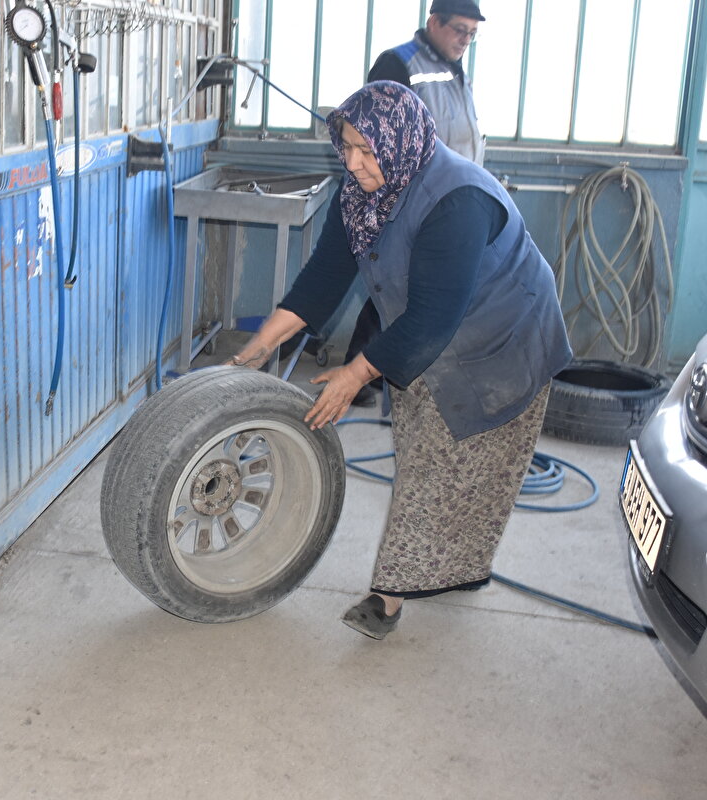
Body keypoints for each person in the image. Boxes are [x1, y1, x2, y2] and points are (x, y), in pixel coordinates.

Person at [229, 82, 572, 640]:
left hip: (504, 339)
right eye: (347, 148)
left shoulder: (457, 201)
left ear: (399, 141)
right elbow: (323, 280)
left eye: (368, 151)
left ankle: (388, 597)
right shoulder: (362, 192)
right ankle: (452, 569)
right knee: (427, 461)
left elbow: (433, 317)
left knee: (458, 470)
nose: (355, 163)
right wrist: (258, 346)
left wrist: (354, 375)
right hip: (428, 337)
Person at [346, 0, 487, 405]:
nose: (465, 40)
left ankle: (369, 373)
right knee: (392, 293)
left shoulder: (456, 70)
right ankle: (365, 374)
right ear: (433, 23)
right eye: (459, 30)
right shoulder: (398, 64)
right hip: (409, 202)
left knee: (411, 296)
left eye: (472, 34)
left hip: (453, 203)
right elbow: (378, 137)